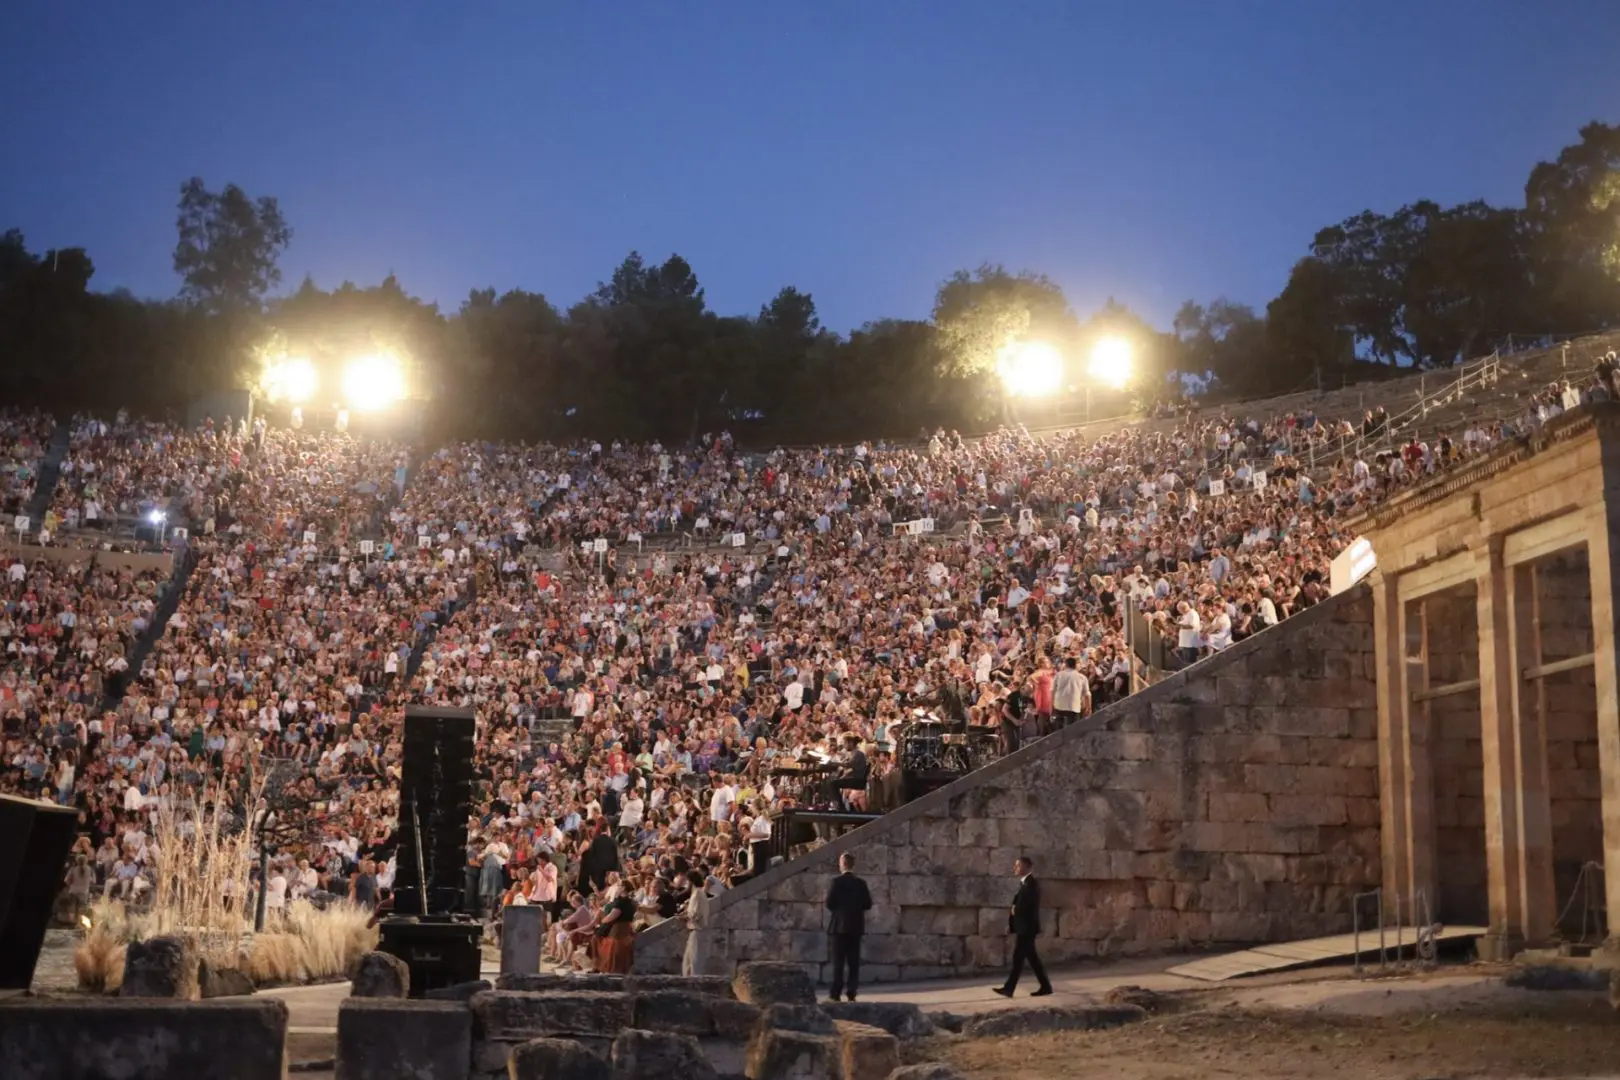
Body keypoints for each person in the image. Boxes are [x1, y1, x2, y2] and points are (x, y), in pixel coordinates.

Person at [993, 855, 1052, 998]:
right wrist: (1012, 923)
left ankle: (1009, 988)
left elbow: (1024, 906)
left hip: (1027, 928)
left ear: (1027, 867)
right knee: (1032, 959)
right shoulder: (1025, 884)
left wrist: (1015, 910)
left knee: (1018, 958)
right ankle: (1045, 986)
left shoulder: (1031, 884)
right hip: (1024, 927)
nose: (1015, 868)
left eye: (1018, 866)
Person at [824, 851, 873, 1002]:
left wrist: (840, 910)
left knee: (838, 962)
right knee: (853, 962)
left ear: (843, 864)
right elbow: (867, 904)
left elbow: (829, 903)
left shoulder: (836, 882)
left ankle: (836, 992)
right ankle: (852, 990)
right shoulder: (861, 883)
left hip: (839, 926)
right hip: (856, 926)